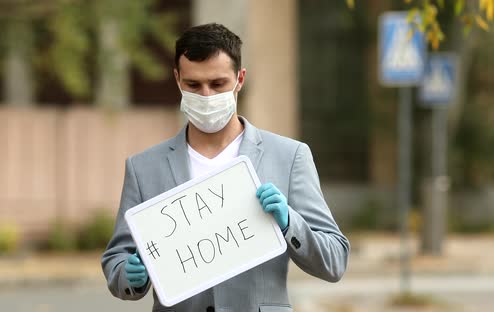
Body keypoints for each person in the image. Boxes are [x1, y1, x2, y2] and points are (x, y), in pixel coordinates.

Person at [102, 23, 349, 312]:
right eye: (194, 85)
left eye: (218, 84)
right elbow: (117, 261)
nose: (206, 96)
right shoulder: (143, 167)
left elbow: (334, 262)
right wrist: (128, 275)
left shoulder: (290, 156)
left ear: (239, 79)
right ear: (177, 79)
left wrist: (288, 223)